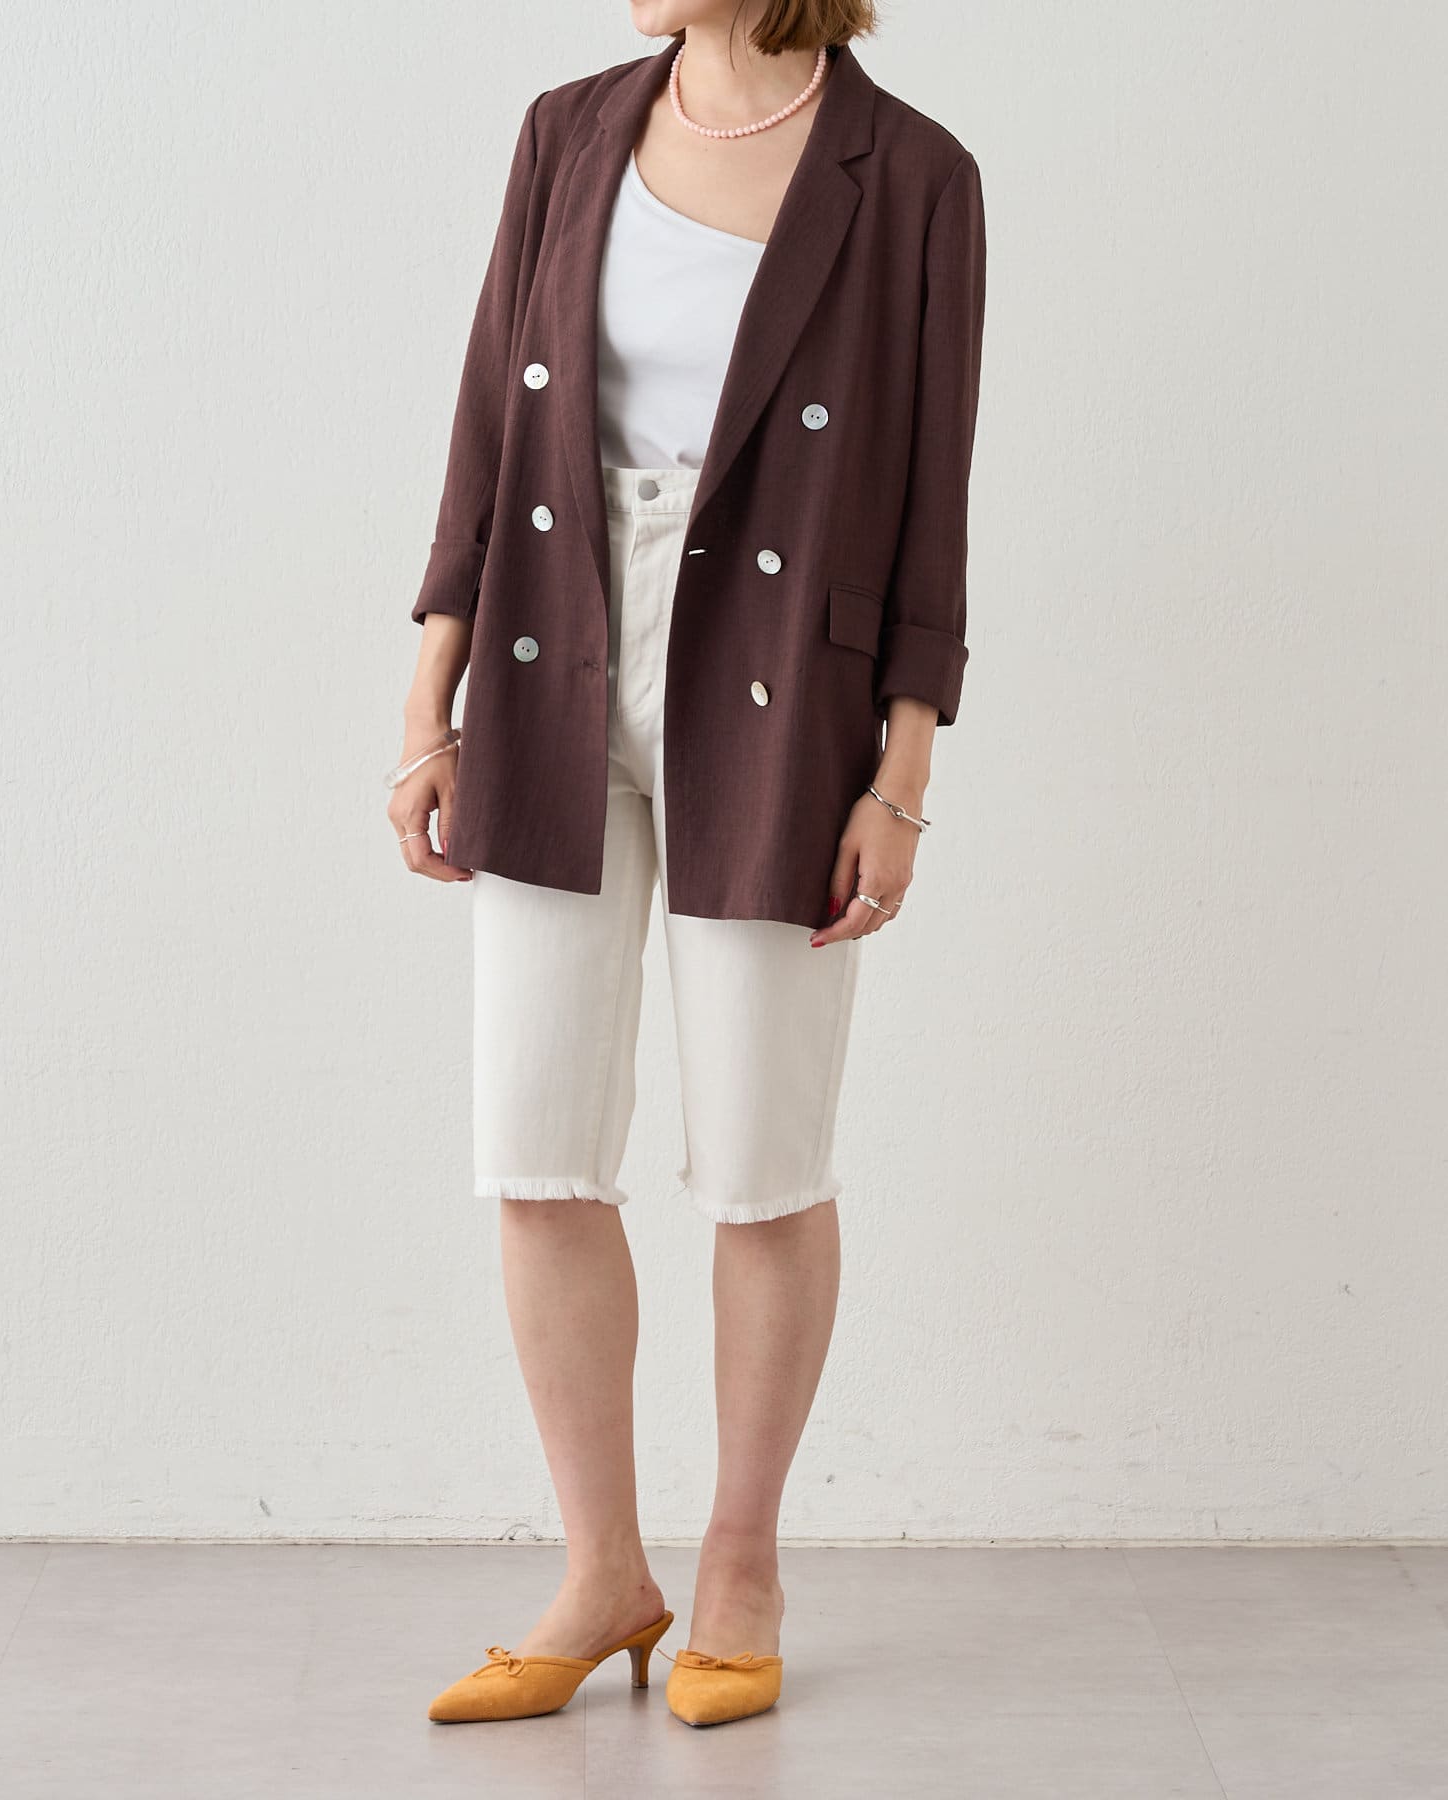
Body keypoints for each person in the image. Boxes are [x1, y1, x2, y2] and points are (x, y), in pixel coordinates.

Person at [387, 0, 986, 1728]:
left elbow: (932, 491)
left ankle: (739, 1566)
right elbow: (488, 434)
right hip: (549, 648)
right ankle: (603, 1573)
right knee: (537, 1148)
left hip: (786, 678)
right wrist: (426, 703)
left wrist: (904, 771)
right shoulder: (569, 126)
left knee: (763, 1164)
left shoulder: (913, 174)